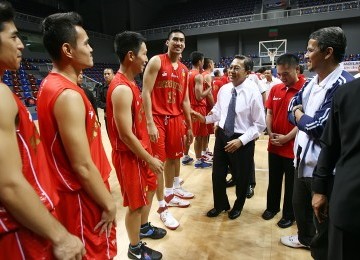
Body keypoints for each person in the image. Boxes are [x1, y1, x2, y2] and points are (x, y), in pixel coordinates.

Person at [0, 2, 85, 259]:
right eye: (14, 37)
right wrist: (60, 236)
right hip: (18, 229)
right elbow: (9, 184)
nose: (21, 45)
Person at [37, 12, 117, 259]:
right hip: (82, 199)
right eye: (86, 43)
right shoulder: (67, 95)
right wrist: (108, 202)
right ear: (67, 50)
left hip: (79, 195)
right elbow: (82, 166)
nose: (92, 49)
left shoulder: (53, 85)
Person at [281, 27, 354, 251]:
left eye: (310, 50)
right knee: (300, 208)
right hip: (302, 161)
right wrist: (300, 115)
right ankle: (305, 241)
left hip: (326, 171)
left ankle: (320, 250)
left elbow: (320, 127)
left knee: (322, 221)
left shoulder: (343, 84)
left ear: (328, 52)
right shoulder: (312, 81)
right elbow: (290, 108)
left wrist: (299, 115)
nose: (305, 55)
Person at [107, 31, 164, 260]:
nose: (146, 59)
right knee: (135, 205)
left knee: (148, 191)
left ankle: (143, 228)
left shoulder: (131, 83)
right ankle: (134, 248)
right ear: (131, 55)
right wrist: (149, 158)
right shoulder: (121, 88)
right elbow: (125, 135)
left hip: (141, 152)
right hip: (130, 156)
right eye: (144, 54)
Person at [192, 55, 266, 220]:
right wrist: (204, 119)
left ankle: (238, 206)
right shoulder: (225, 89)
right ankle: (220, 205)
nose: (231, 71)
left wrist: (241, 141)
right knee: (217, 174)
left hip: (242, 139)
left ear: (247, 72)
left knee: (241, 177)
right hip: (223, 135)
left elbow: (260, 124)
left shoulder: (253, 92)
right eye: (231, 67)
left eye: (237, 68)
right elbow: (219, 112)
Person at [142, 29, 194, 229]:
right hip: (157, 118)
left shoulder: (184, 70)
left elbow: (186, 100)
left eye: (182, 40)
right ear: (168, 42)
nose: (178, 43)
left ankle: (171, 194)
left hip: (176, 119)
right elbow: (145, 92)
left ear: (184, 45)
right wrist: (149, 122)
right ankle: (162, 207)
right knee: (159, 164)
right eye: (175, 40)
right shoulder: (156, 60)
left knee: (175, 158)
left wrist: (189, 126)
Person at [311, 78, 360, 260]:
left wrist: (319, 188)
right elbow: (331, 146)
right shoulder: (346, 92)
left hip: (348, 199)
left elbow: (330, 146)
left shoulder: (345, 91)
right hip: (349, 203)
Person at [262, 54, 305, 229]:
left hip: (292, 146)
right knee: (273, 180)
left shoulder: (306, 89)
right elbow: (269, 113)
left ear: (297, 69)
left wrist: (288, 137)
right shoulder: (275, 89)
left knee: (291, 184)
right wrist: (270, 132)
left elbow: (305, 120)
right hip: (274, 145)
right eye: (279, 74)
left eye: (286, 73)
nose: (282, 77)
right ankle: (272, 208)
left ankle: (289, 214)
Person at [183, 51, 212, 168]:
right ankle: (199, 160)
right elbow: (199, 96)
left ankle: (185, 157)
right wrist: (209, 88)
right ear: (200, 61)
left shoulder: (187, 73)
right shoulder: (198, 76)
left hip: (188, 107)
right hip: (198, 108)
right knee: (199, 136)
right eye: (203, 61)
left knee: (188, 133)